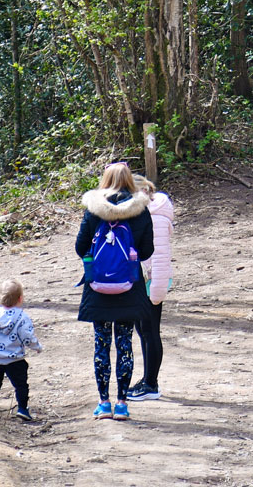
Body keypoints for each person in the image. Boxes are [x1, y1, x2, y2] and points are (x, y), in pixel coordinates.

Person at [75, 162, 153, 421]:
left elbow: (80, 247)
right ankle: (122, 404)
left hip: (98, 288)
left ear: (105, 180)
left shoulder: (94, 210)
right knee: (125, 345)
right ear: (130, 180)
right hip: (129, 286)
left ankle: (103, 403)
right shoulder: (140, 211)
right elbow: (147, 251)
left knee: (101, 345)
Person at [126, 174, 173, 401]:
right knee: (144, 331)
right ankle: (147, 380)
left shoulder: (154, 215)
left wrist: (155, 289)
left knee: (149, 331)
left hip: (151, 281)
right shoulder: (148, 212)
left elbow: (160, 257)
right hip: (145, 279)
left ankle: (151, 384)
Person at [0, 278, 43, 421]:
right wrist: (36, 346)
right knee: (21, 385)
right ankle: (22, 408)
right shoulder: (22, 317)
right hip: (15, 358)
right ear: (20, 299)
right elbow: (27, 336)